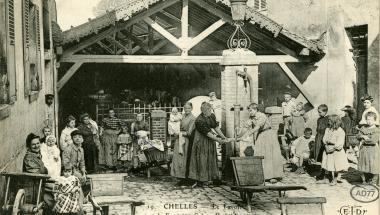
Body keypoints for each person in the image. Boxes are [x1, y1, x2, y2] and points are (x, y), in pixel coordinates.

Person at [188, 102, 232, 187]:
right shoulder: (199, 120)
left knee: (211, 158)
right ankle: (202, 179)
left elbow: (215, 127)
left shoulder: (211, 116)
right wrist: (219, 140)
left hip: (209, 140)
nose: (210, 111)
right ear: (204, 111)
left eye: (210, 109)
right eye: (208, 110)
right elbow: (208, 133)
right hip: (201, 141)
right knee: (202, 159)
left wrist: (224, 137)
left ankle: (212, 178)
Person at [237, 103, 284, 182]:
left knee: (269, 154)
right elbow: (245, 127)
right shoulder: (252, 117)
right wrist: (239, 135)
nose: (250, 112)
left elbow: (256, 128)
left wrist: (244, 136)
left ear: (255, 109)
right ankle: (263, 174)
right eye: (249, 111)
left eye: (251, 110)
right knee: (260, 153)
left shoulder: (262, 116)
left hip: (268, 135)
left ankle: (272, 176)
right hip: (261, 135)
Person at [320, 115, 349, 185]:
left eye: (330, 120)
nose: (328, 122)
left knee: (336, 165)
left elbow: (340, 143)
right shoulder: (327, 129)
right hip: (327, 148)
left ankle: (335, 179)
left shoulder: (340, 131)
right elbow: (324, 138)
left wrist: (333, 148)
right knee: (328, 164)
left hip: (336, 151)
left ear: (334, 122)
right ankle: (327, 178)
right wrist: (326, 146)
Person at [171, 102, 196, 185]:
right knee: (178, 159)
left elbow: (189, 132)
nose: (187, 110)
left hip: (186, 141)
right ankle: (180, 177)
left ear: (192, 108)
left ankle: (186, 178)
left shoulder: (193, 118)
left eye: (188, 108)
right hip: (179, 139)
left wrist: (180, 133)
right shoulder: (182, 116)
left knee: (184, 159)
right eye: (185, 108)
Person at [357, 111, 379, 185]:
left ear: (375, 120)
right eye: (368, 119)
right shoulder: (363, 127)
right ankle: (365, 179)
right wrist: (363, 136)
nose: (369, 121)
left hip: (373, 150)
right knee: (364, 164)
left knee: (373, 165)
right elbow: (358, 135)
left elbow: (373, 140)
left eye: (371, 120)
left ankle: (374, 181)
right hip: (363, 150)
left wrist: (364, 140)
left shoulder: (377, 130)